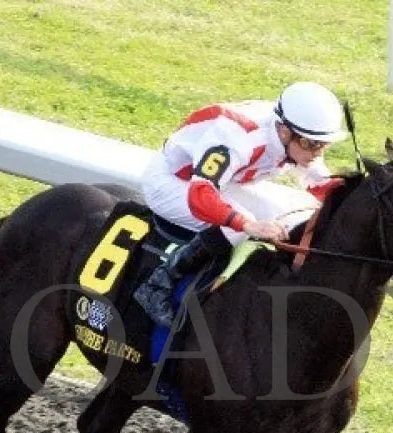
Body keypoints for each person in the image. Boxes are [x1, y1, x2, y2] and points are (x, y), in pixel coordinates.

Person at [133, 81, 349, 328]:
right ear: (284, 132)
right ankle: (158, 283)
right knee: (241, 224)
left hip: (222, 182)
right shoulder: (238, 138)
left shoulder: (296, 137)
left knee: (287, 216)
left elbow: (320, 184)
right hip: (172, 181)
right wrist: (247, 225)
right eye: (311, 144)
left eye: (324, 144)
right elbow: (200, 196)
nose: (317, 153)